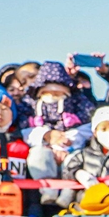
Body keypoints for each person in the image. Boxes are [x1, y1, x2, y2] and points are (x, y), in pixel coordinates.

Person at [20, 61, 95, 200]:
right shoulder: (28, 106)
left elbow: (90, 125)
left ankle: (68, 193)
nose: (53, 95)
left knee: (77, 162)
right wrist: (46, 136)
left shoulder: (78, 103)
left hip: (72, 148)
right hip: (42, 147)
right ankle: (48, 190)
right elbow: (23, 130)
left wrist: (68, 142)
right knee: (38, 156)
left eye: (58, 91)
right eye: (48, 91)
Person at [61, 106, 109, 204]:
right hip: (84, 207)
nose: (108, 133)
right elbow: (67, 172)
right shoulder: (84, 154)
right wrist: (78, 174)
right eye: (103, 129)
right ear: (95, 132)